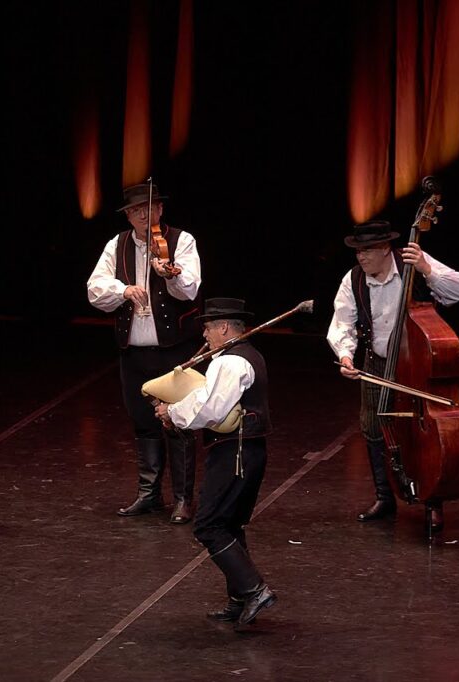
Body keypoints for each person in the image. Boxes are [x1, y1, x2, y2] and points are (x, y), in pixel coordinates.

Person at [326, 220, 459, 532]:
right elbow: (343, 321)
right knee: (373, 426)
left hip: (416, 365)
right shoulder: (354, 279)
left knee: (423, 432)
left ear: (386, 248)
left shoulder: (412, 262)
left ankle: (432, 500)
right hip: (377, 363)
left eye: (368, 250)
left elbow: (458, 291)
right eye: (358, 251)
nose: (361, 257)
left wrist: (427, 270)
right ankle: (384, 496)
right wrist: (346, 356)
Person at [155, 298, 275, 627]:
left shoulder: (231, 362)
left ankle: (254, 590)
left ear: (224, 327)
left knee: (209, 525)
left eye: (208, 328)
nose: (205, 335)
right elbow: (208, 396)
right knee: (230, 524)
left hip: (235, 453)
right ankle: (240, 597)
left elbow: (211, 409)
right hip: (247, 451)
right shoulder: (244, 356)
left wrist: (172, 413)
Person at [86, 181, 202, 522]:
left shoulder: (181, 241)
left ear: (160, 209)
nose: (142, 215)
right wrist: (123, 290)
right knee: (143, 422)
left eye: (148, 208)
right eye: (136, 210)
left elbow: (189, 289)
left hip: (174, 351)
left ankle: (183, 499)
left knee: (178, 423)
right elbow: (95, 288)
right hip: (134, 352)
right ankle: (149, 494)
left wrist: (169, 275)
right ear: (128, 215)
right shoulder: (117, 244)